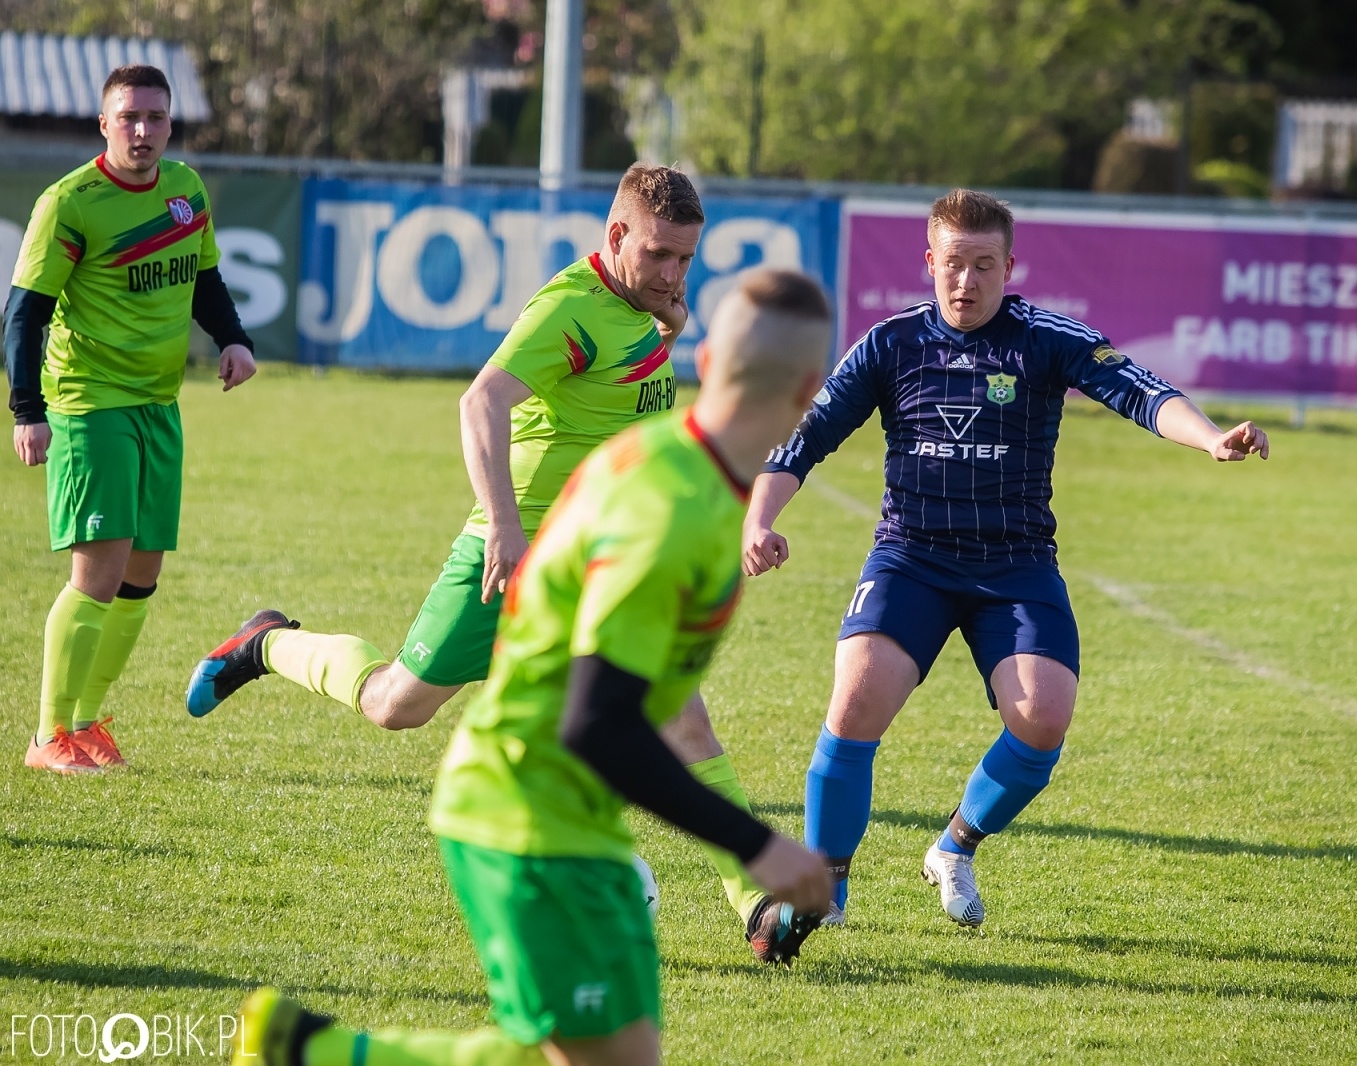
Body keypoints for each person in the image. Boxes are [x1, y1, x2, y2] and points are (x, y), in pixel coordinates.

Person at [230, 268, 835, 1066]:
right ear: (811, 389)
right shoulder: (671, 511)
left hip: (564, 816)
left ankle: (310, 1049)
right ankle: (316, 1054)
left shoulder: (658, 460)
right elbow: (597, 722)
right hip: (527, 818)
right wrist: (758, 847)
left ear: (705, 353)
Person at [186, 164, 790, 958]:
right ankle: (264, 642)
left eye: (687, 258)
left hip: (603, 565)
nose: (676, 274)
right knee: (395, 704)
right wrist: (503, 525)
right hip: (515, 553)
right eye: (660, 256)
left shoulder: (650, 304)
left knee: (681, 713)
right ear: (616, 237)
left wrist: (670, 320)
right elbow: (482, 400)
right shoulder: (571, 309)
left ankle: (757, 906)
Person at [745, 189, 1269, 928]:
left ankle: (955, 846)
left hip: (1015, 565)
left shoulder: (1043, 339)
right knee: (857, 699)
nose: (966, 281)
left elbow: (1142, 393)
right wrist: (759, 519)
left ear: (1009, 266)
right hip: (912, 556)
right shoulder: (892, 344)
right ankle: (826, 888)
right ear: (929, 263)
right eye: (953, 264)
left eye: (983, 266)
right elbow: (807, 436)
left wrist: (1211, 436)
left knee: (1044, 718)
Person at [7, 64, 257, 774]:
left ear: (170, 123)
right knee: (100, 570)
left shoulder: (185, 189)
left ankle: (86, 724)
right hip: (91, 404)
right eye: (128, 118)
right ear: (104, 125)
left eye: (154, 117)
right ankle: (49, 735)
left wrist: (233, 337)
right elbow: (24, 312)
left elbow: (202, 276)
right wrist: (28, 409)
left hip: (158, 403)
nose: (142, 131)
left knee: (141, 576)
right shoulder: (71, 203)